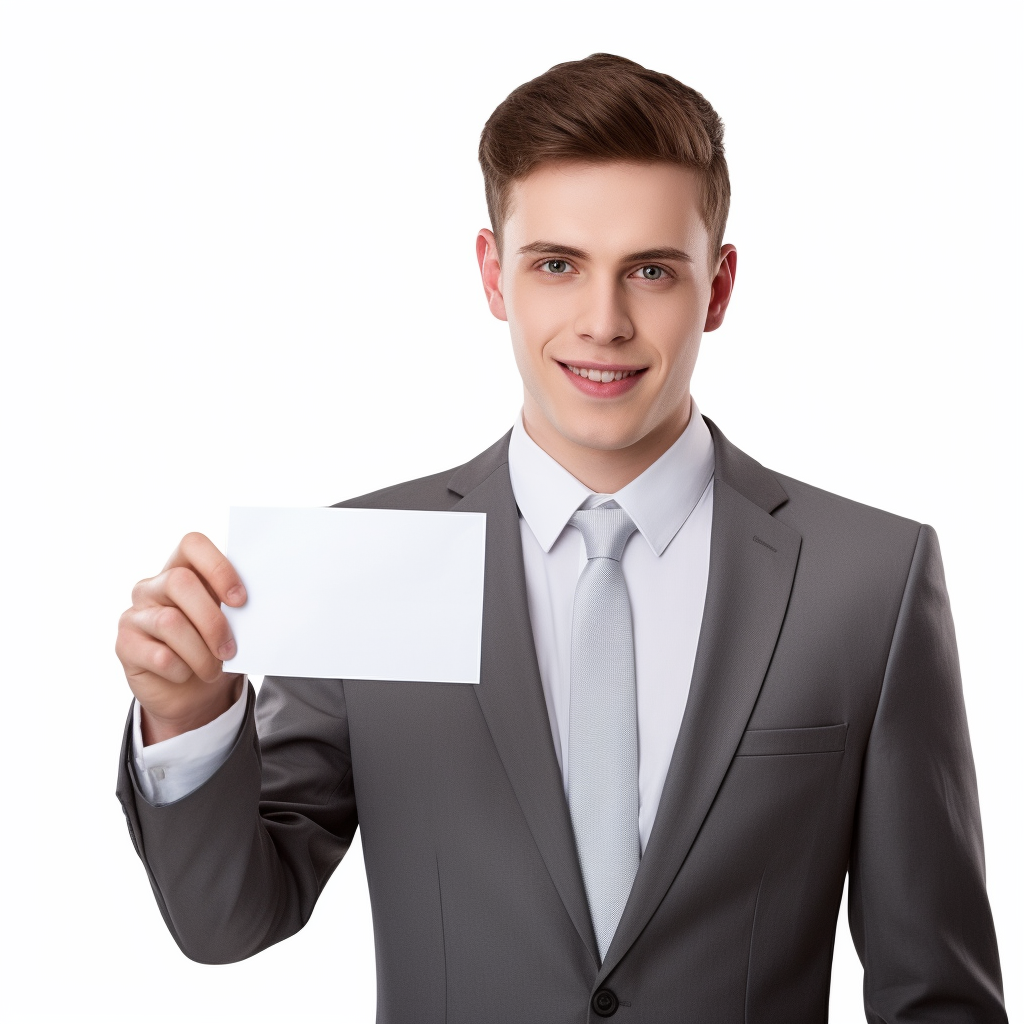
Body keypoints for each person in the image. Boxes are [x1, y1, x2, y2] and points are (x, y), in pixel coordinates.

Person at [115, 54, 1007, 1022]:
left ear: (718, 286)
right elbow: (228, 918)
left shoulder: (865, 582)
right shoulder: (374, 563)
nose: (603, 322)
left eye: (652, 271)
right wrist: (191, 718)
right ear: (495, 276)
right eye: (556, 265)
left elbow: (938, 997)